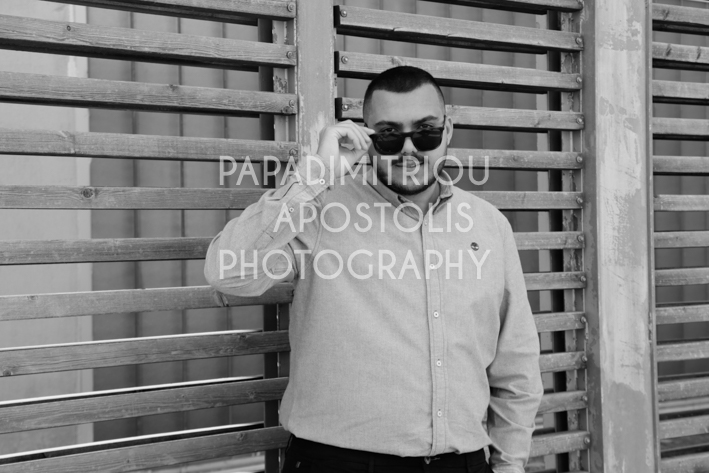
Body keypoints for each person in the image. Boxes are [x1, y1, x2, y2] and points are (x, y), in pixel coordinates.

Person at [204, 66, 543, 473]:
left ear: (448, 130)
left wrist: (509, 465)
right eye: (389, 135)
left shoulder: (489, 226)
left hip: (465, 463)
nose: (409, 150)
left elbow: (516, 366)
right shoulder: (321, 211)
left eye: (426, 132)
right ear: (367, 138)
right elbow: (227, 272)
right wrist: (314, 176)